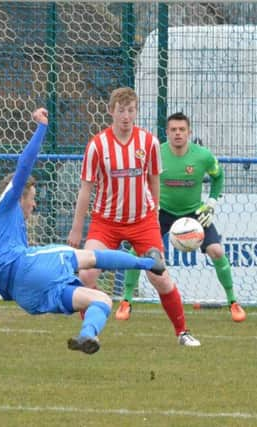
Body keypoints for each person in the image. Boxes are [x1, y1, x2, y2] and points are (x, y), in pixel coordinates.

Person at [0, 107, 167, 355]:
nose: (34, 204)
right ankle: (148, 263)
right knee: (87, 256)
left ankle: (88, 335)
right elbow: (24, 166)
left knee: (101, 300)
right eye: (32, 198)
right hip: (21, 267)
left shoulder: (11, 225)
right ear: (19, 196)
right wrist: (41, 128)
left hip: (27, 296)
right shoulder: (7, 205)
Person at [67, 87, 200, 346]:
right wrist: (76, 229)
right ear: (111, 112)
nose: (126, 116)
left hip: (142, 221)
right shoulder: (97, 145)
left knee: (159, 276)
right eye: (121, 111)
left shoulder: (148, 142)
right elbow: (86, 189)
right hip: (106, 223)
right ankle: (89, 333)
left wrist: (155, 212)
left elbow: (154, 179)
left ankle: (182, 332)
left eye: (131, 110)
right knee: (86, 276)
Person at [119, 112, 246, 322]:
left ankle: (233, 301)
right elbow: (141, 178)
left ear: (189, 132)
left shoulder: (202, 156)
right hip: (162, 211)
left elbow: (218, 176)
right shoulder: (156, 153)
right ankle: (126, 300)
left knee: (216, 250)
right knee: (138, 250)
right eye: (173, 130)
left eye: (182, 130)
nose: (178, 133)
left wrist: (211, 203)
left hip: (194, 212)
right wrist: (149, 202)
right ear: (167, 133)